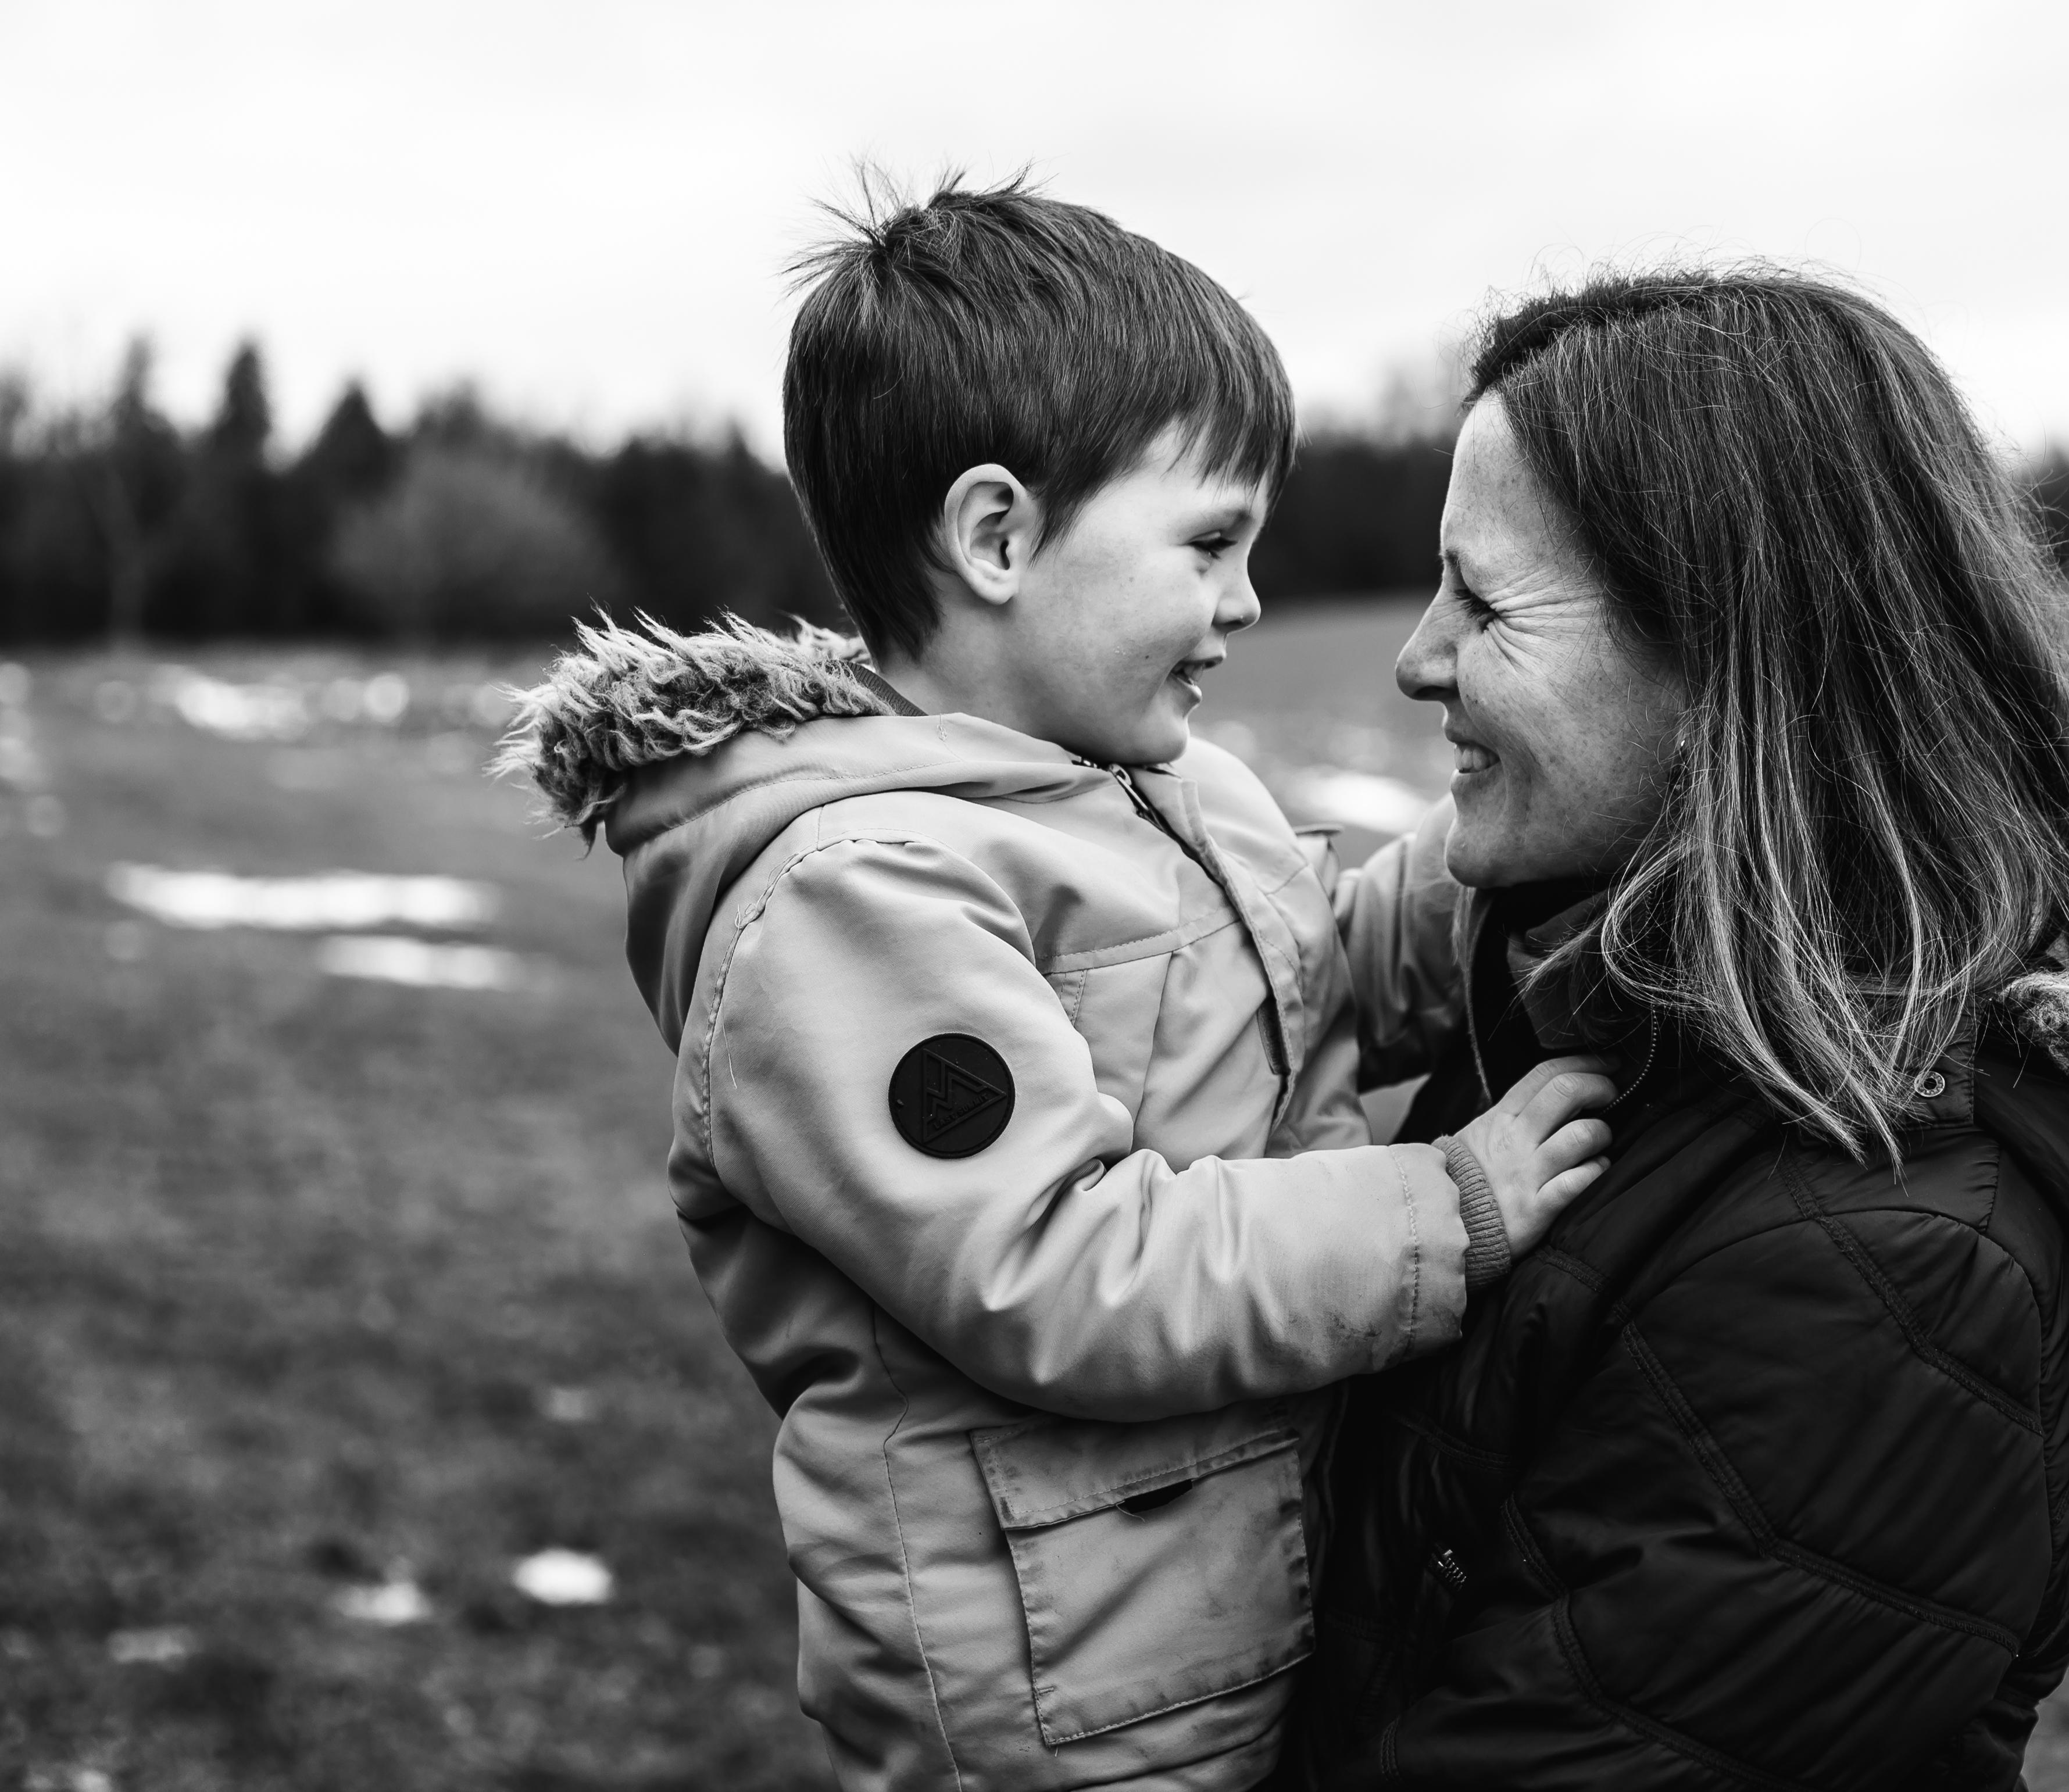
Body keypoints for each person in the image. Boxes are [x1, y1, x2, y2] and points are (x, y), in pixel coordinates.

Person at [496, 178, 1612, 1792]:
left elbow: (1318, 984)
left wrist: (1503, 838)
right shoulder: (858, 899)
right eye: (1210, 542)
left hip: (1226, 1594)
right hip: (1069, 1697)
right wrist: (1444, 1207)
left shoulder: (1162, 785)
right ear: (999, 536)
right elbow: (1063, 1264)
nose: (1243, 601)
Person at [1291, 270, 2069, 1790]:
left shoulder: (1894, 1274)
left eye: (1487, 597)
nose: (1416, 655)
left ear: (1722, 654)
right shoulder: (1592, 1016)